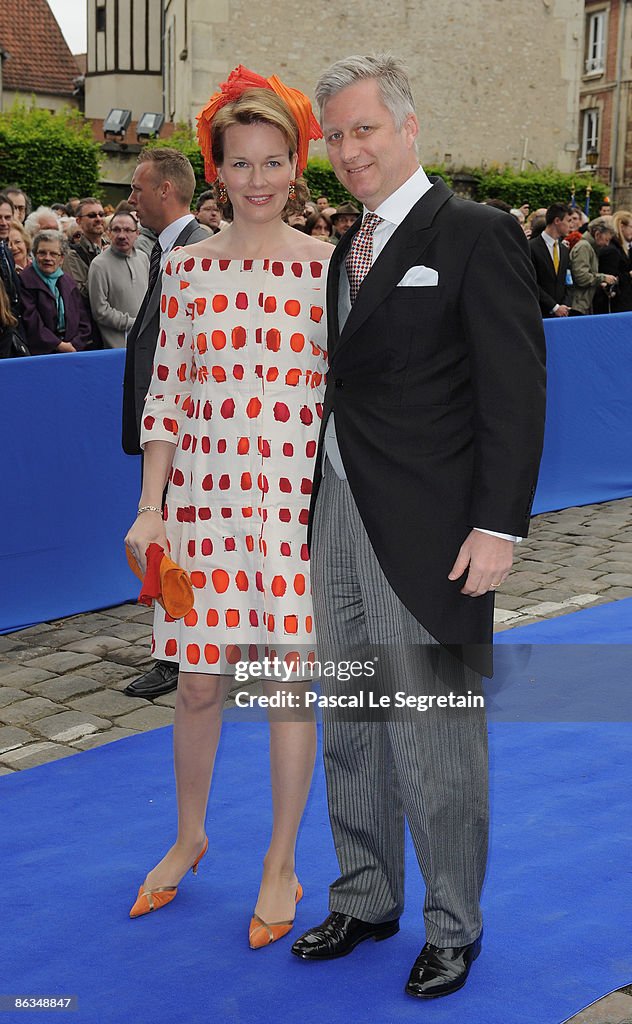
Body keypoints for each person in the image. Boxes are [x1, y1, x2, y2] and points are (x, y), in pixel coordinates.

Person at [290, 54, 546, 1000]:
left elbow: (515, 394)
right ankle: (365, 896)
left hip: (438, 531)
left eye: (364, 130)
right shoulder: (342, 249)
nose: (349, 150)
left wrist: (499, 527)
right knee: (352, 723)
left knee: (435, 735)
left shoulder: (474, 232)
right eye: (336, 136)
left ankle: (453, 924)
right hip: (339, 521)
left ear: (407, 129)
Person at [123, 65, 331, 949]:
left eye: (272, 161)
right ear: (217, 170)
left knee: (288, 686)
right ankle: (188, 835)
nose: (256, 179)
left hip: (290, 513)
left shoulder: (330, 272)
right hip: (204, 507)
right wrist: (150, 507)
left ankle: (280, 861)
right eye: (240, 163)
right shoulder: (190, 270)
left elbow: (350, 402)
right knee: (201, 681)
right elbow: (166, 395)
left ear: (295, 166)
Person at [121, 149, 210, 700]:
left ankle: (177, 655)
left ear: (165, 191)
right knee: (164, 537)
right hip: (166, 425)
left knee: (176, 542)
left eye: (137, 188)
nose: (130, 198)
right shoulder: (168, 250)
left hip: (189, 430)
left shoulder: (198, 250)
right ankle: (175, 650)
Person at [20, 230, 91, 355]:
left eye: (53, 254)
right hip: (41, 354)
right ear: (35, 255)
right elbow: (31, 321)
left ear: (62, 258)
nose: (48, 258)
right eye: (42, 253)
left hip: (72, 352)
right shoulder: (25, 281)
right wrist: (59, 345)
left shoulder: (68, 282)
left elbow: (83, 321)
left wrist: (75, 345)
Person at [87, 210, 149, 348]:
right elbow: (100, 310)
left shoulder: (143, 258)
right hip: (117, 346)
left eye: (128, 230)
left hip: (144, 340)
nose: (122, 235)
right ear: (108, 233)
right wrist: (132, 323)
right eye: (116, 230)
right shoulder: (99, 264)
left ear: (137, 233)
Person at [529, 203, 574, 317]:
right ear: (557, 221)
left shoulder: (564, 250)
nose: (571, 225)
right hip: (538, 313)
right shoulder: (531, 247)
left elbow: (568, 280)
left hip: (561, 313)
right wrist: (554, 307)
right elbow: (531, 282)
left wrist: (565, 305)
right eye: (568, 221)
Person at [569, 216, 616, 314]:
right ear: (597, 234)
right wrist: (603, 278)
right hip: (578, 305)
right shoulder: (584, 247)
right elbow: (581, 277)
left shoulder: (590, 248)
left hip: (583, 304)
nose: (607, 244)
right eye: (606, 239)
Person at [62, 197, 107, 300]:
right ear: (79, 221)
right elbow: (79, 294)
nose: (98, 219)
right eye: (92, 215)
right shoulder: (72, 255)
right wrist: (105, 263)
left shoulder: (113, 248)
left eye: (101, 214)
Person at [596, 209, 632, 313]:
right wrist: (629, 275)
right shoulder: (612, 250)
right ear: (621, 226)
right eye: (631, 227)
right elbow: (610, 278)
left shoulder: (621, 248)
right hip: (615, 305)